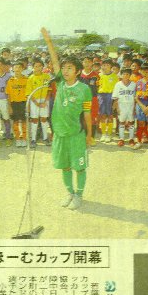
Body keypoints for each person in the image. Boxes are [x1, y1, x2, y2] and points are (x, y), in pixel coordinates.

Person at [41, 27, 92, 211]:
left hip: (76, 134)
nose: (65, 70)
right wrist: (48, 41)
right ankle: (70, 192)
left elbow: (87, 113)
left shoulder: (84, 89)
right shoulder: (60, 83)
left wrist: (89, 135)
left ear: (78, 71)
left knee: (79, 167)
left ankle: (79, 195)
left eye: (70, 68)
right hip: (60, 134)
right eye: (64, 68)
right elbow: (54, 60)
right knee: (65, 167)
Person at [25, 59, 51, 148]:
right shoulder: (30, 78)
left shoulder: (47, 77)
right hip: (34, 101)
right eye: (36, 66)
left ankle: (45, 138)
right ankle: (33, 139)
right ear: (33, 67)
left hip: (44, 101)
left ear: (42, 67)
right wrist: (37, 103)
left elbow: (49, 90)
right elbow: (29, 93)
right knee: (35, 120)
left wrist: (45, 101)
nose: (38, 68)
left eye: (40, 66)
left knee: (44, 119)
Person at [5, 61, 28, 147]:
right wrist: (9, 107)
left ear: (22, 69)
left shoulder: (26, 79)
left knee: (24, 121)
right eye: (16, 67)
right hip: (14, 103)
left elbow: (28, 93)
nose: (17, 69)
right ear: (13, 69)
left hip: (23, 103)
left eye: (19, 67)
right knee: (15, 121)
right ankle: (18, 138)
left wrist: (27, 105)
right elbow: (8, 95)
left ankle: (24, 138)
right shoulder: (10, 81)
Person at [112, 68, 136, 147]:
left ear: (130, 75)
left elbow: (135, 97)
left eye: (127, 74)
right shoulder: (118, 84)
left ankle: (131, 138)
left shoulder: (133, 84)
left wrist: (135, 108)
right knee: (121, 122)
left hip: (131, 105)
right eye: (124, 74)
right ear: (121, 75)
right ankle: (121, 138)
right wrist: (117, 108)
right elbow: (115, 98)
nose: (125, 76)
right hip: (121, 105)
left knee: (131, 122)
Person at [97, 59, 119, 143]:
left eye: (107, 65)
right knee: (103, 115)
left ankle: (109, 134)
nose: (104, 67)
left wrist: (115, 101)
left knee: (110, 115)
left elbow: (116, 89)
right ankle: (103, 134)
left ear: (110, 66)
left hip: (111, 96)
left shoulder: (114, 76)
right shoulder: (99, 75)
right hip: (101, 96)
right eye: (103, 65)